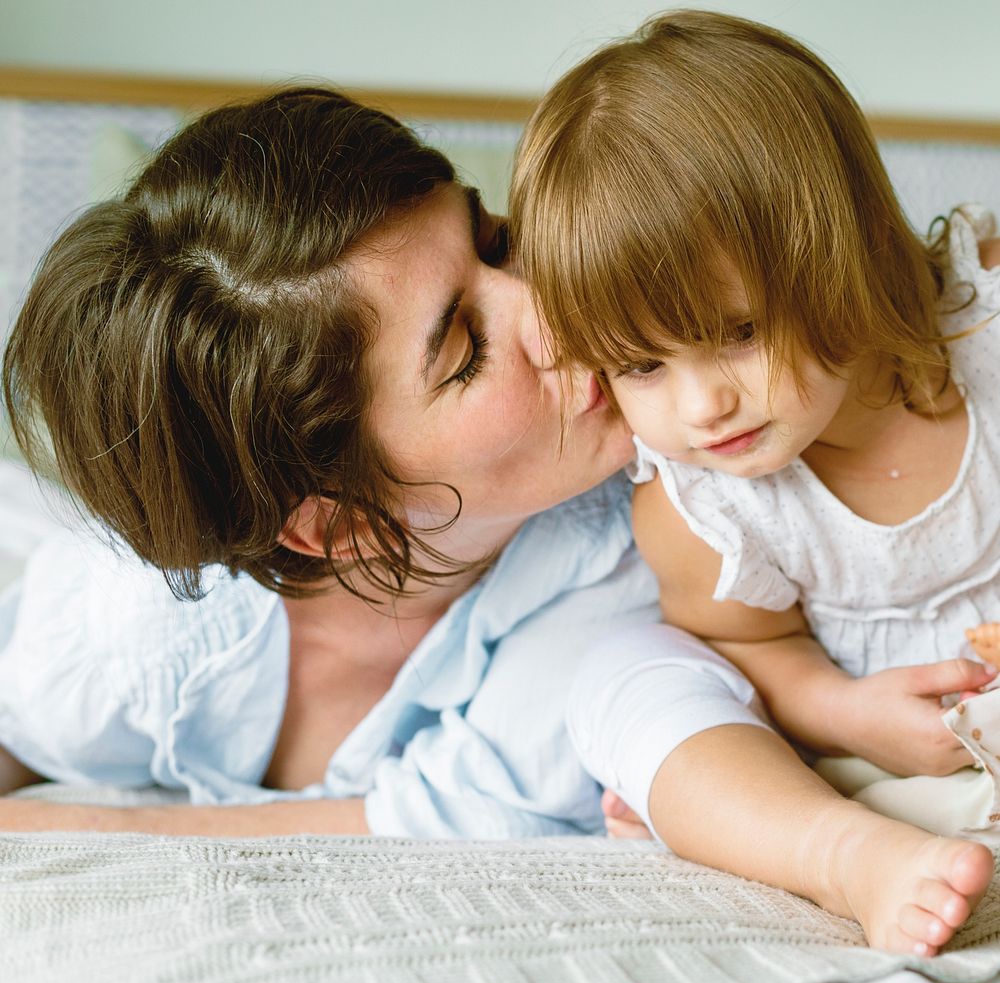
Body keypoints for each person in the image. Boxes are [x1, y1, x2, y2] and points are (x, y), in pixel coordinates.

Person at [0, 87, 767, 838]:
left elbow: (479, 810)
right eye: (467, 354)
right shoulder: (133, 635)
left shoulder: (659, 530)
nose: (555, 307)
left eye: (496, 241)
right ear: (336, 522)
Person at [510, 10, 997, 957]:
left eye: (739, 331)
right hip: (879, 771)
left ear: (843, 248)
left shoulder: (980, 347)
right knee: (634, 685)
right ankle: (846, 855)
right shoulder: (703, 506)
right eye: (642, 368)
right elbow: (756, 648)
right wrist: (850, 714)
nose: (704, 407)